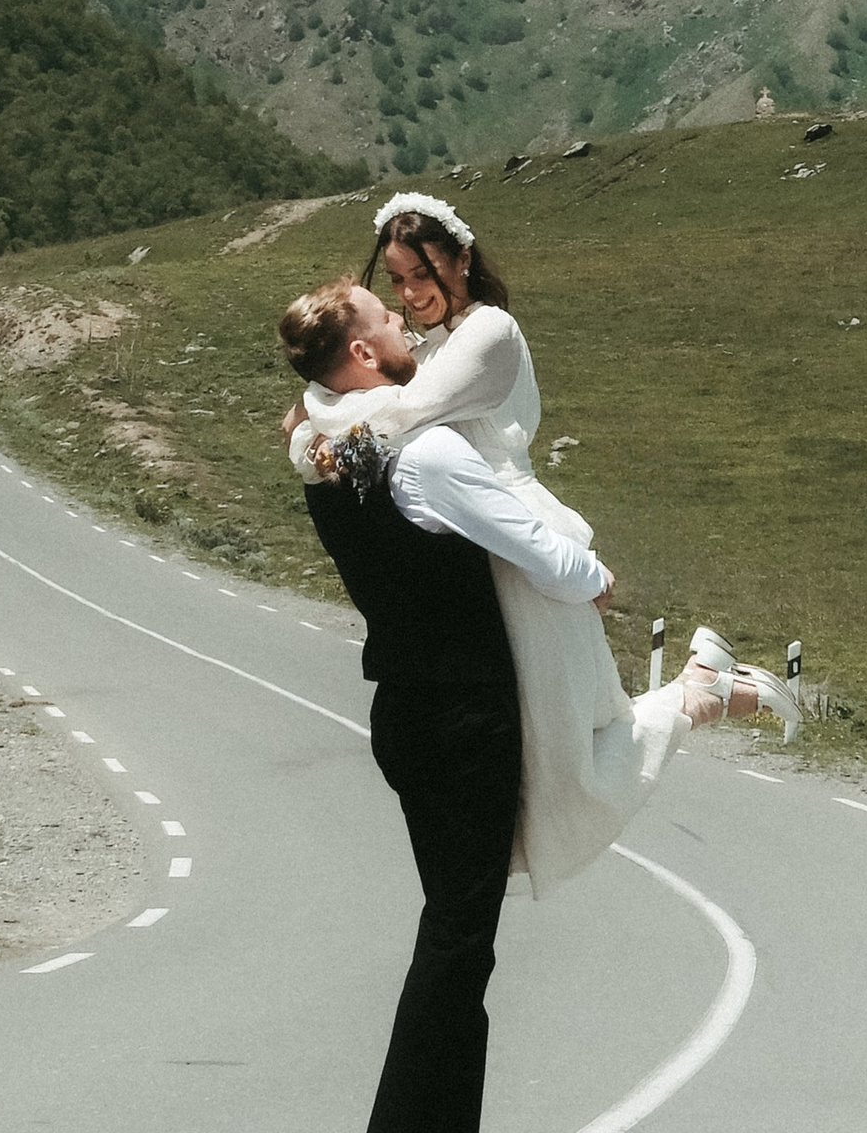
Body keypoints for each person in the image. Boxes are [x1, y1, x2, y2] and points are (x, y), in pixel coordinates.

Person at [290, 189, 797, 897]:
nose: (409, 295)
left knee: (568, 759)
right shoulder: (433, 342)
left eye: (422, 274)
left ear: (462, 259)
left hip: (515, 530)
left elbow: (409, 412)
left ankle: (697, 696)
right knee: (557, 746)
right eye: (397, 281)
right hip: (490, 539)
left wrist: (324, 423)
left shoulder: (488, 332)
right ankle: (701, 692)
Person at [282, 276, 592, 1133]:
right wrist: (593, 575)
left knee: (466, 935)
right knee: (457, 936)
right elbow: (547, 559)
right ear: (367, 356)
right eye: (389, 316)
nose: (413, 322)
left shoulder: (326, 447)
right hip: (461, 714)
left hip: (415, 707)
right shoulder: (426, 455)